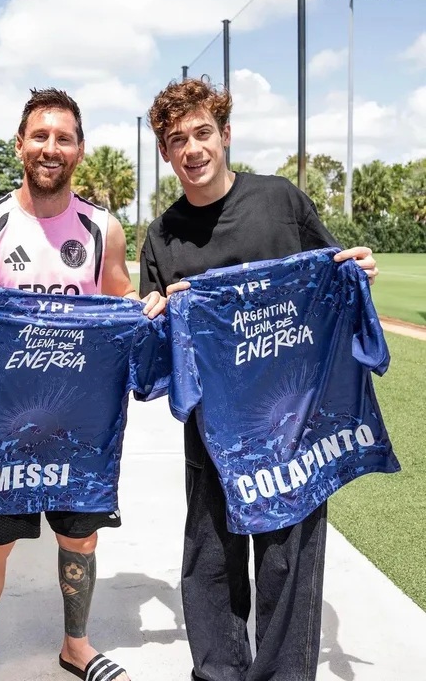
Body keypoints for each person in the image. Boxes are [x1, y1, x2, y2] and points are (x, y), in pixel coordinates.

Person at [0, 88, 165, 681]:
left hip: (80, 424)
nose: (50, 147)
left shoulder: (102, 228)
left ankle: (76, 646)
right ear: (20, 145)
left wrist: (146, 310)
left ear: (79, 149)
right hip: (3, 425)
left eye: (63, 137)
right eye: (40, 135)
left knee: (80, 542)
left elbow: (120, 304)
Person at [140, 77, 378, 681]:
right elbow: (156, 353)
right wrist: (157, 316)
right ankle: (218, 673)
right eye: (177, 140)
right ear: (165, 152)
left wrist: (359, 270)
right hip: (212, 431)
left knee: (287, 563)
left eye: (202, 133)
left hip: (292, 426)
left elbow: (332, 271)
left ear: (225, 135)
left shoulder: (280, 202)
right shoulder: (162, 236)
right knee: (211, 562)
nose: (192, 149)